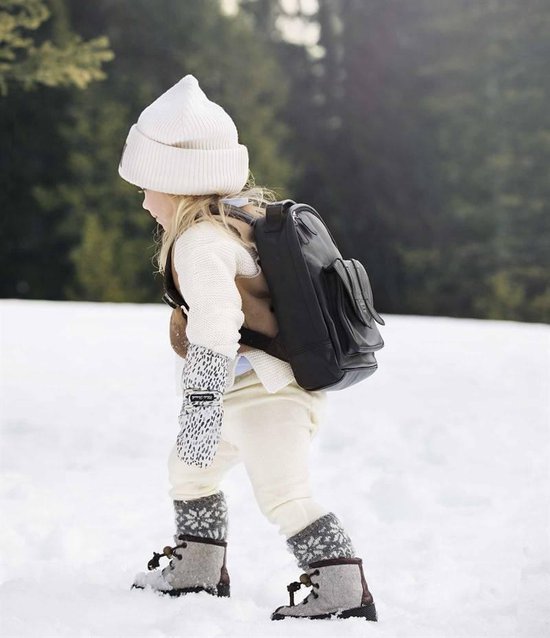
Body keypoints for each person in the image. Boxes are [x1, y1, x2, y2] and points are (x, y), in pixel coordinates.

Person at [118, 74, 377, 622]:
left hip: (264, 398)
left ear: (177, 182)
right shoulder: (240, 220)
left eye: (147, 186)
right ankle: (197, 568)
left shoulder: (199, 242)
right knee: (189, 472)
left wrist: (201, 405)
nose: (143, 201)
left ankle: (342, 590)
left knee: (285, 496)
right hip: (244, 394)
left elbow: (216, 324)